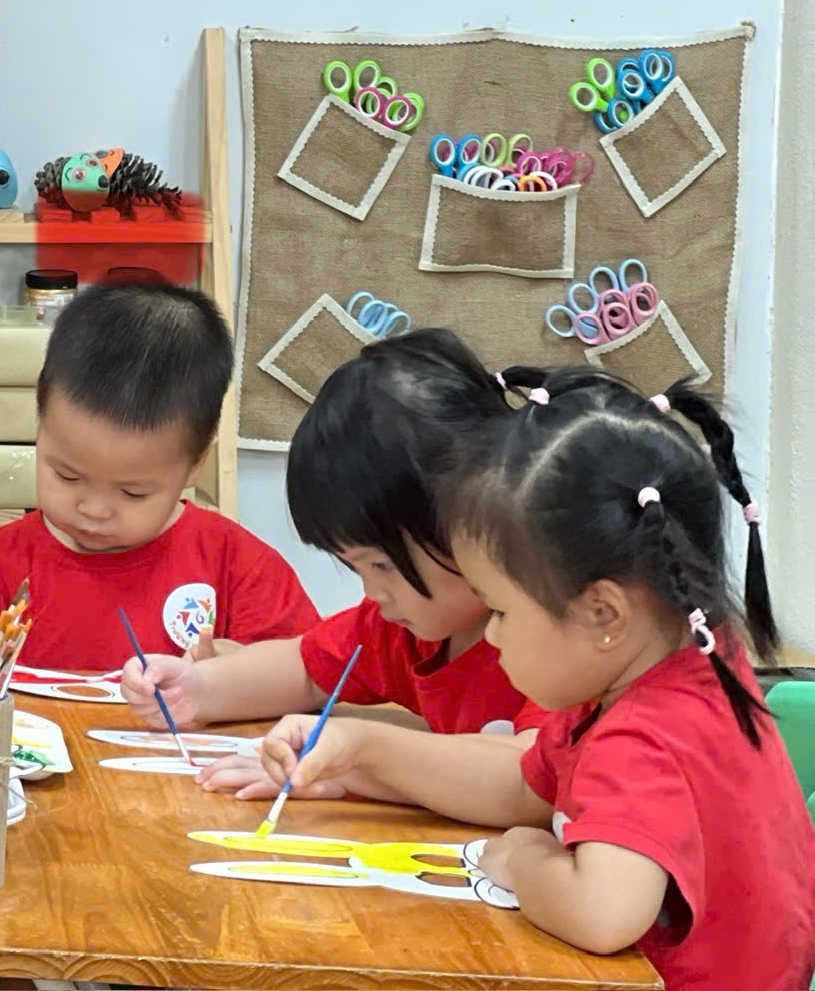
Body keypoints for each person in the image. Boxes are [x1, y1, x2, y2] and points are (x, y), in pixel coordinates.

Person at [258, 370, 815, 989]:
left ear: (603, 614)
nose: (491, 635)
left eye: (500, 610)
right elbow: (524, 786)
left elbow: (603, 912)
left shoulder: (645, 736)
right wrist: (359, 758)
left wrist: (524, 862)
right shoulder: (677, 663)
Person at [119, 332, 543, 801]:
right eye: (355, 568)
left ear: (477, 521)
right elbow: (306, 668)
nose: (372, 592)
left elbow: (532, 780)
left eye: (382, 564)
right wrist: (197, 689)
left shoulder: (557, 637)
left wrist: (362, 758)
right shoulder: (405, 628)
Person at [0, 282, 316, 667]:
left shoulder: (241, 571)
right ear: (40, 429)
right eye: (67, 476)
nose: (94, 509)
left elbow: (312, 679)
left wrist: (248, 674)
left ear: (196, 463)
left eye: (132, 493)